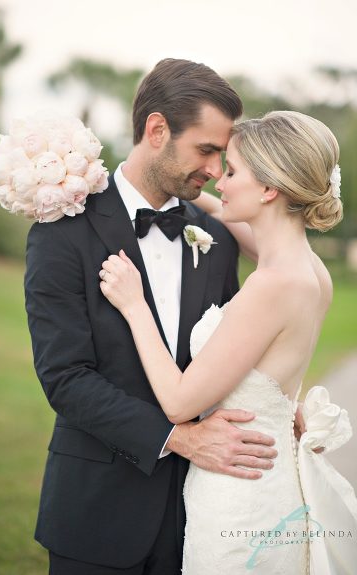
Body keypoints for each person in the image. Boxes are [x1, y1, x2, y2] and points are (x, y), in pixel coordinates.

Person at [25, 59, 279, 574]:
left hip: (198, 516)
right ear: (157, 130)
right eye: (205, 150)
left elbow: (226, 353)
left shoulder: (217, 238)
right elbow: (64, 377)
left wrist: (278, 402)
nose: (215, 170)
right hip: (94, 514)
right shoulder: (62, 231)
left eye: (221, 155)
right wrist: (181, 439)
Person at [100, 110, 352, 573]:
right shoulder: (310, 269)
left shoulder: (271, 286)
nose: (218, 179)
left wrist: (135, 306)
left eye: (232, 171)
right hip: (271, 483)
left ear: (269, 189)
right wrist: (179, 193)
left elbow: (179, 402)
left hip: (239, 500)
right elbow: (227, 213)